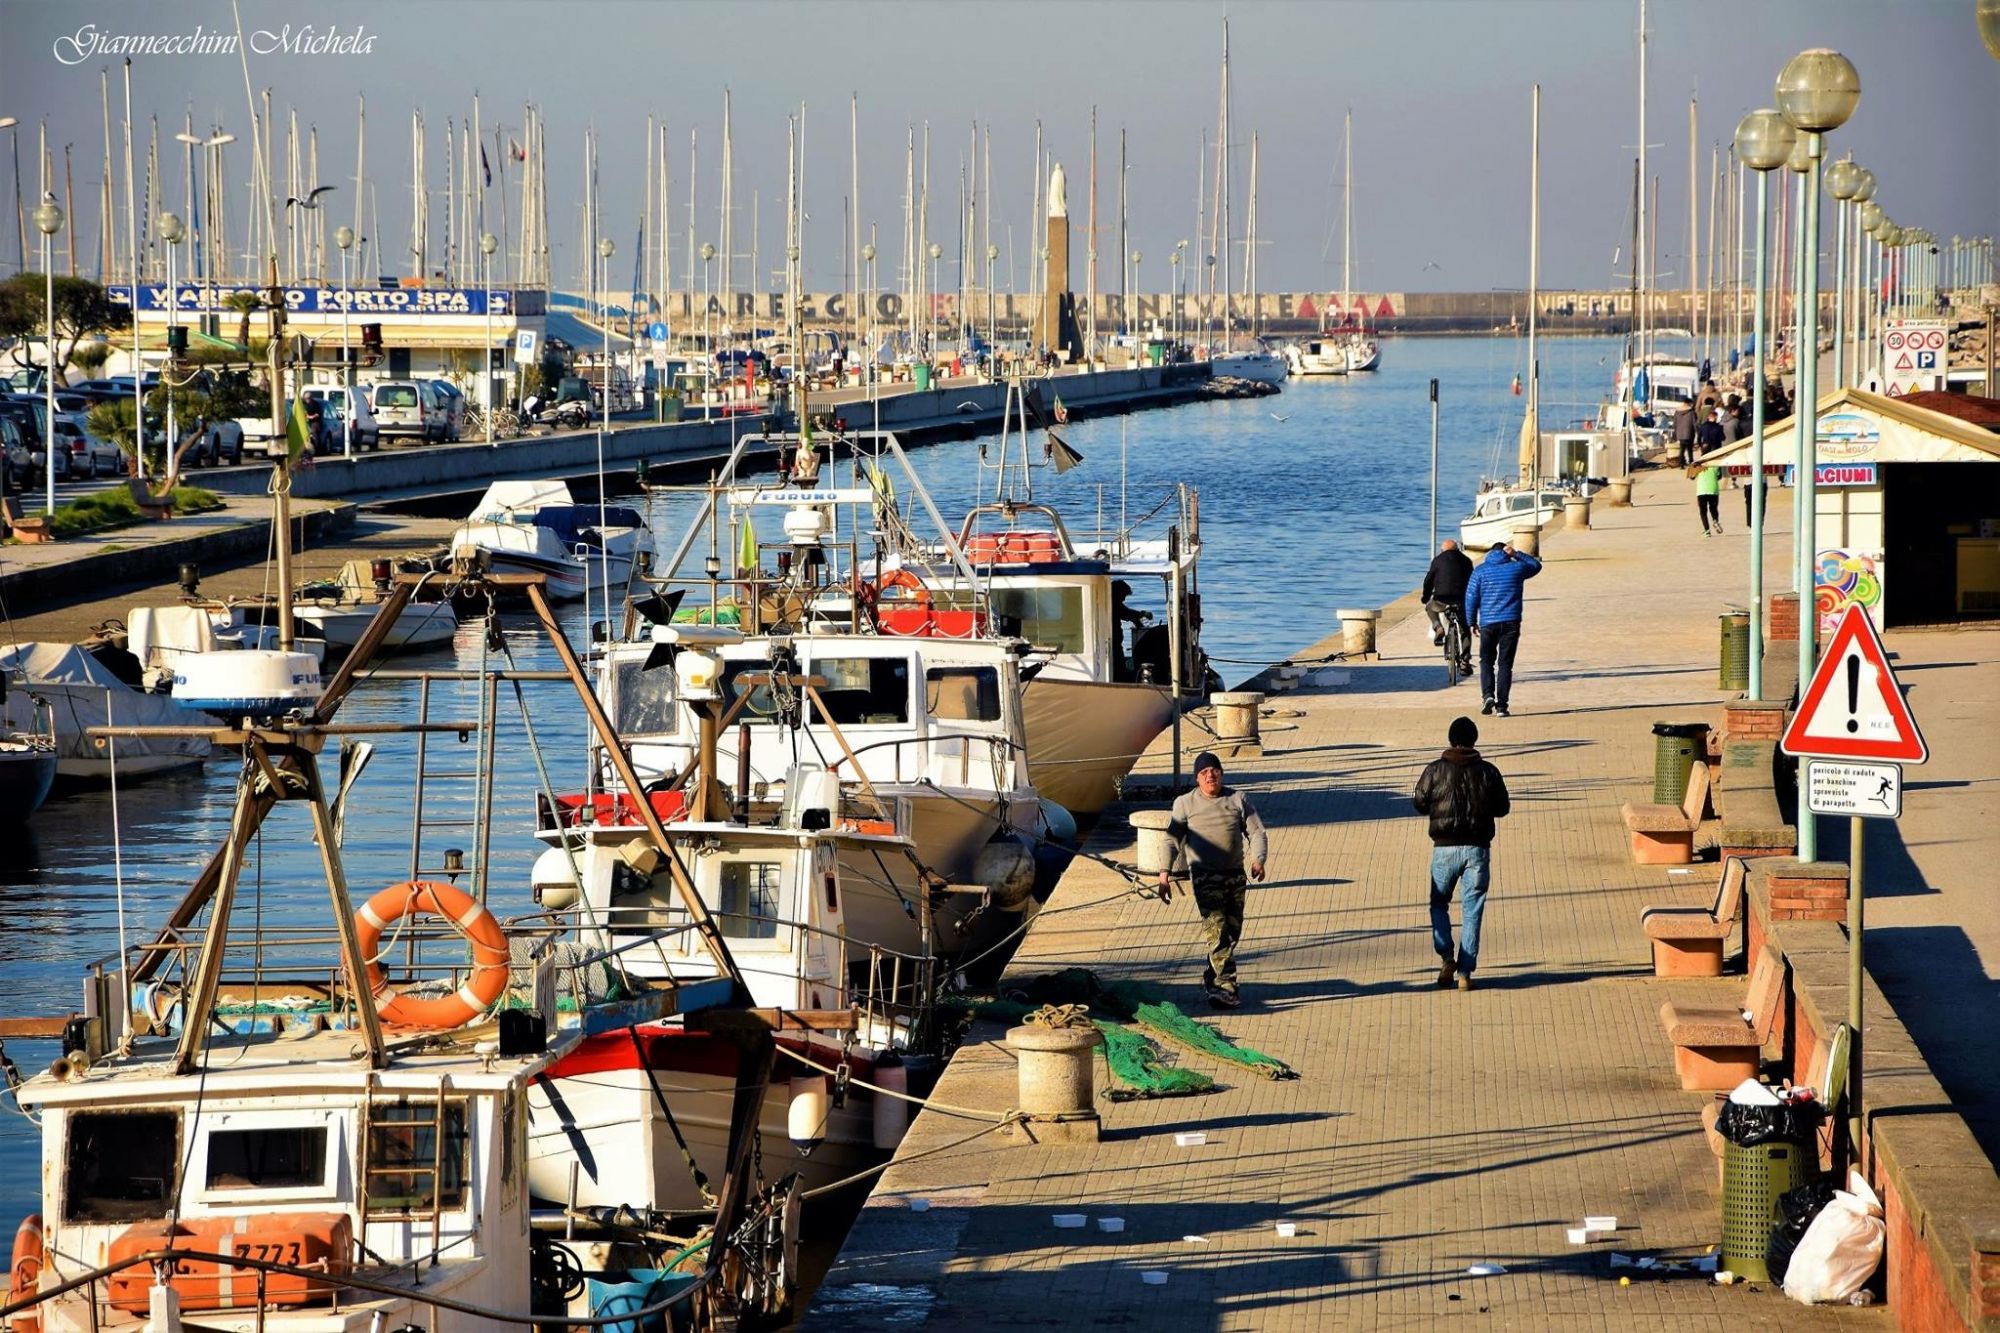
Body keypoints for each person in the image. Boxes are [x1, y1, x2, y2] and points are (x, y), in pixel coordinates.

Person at [1157, 751, 1268, 1009]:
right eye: (1204, 772)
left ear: (1221, 774)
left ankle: (1211, 977)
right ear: (1197, 778)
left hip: (1235, 877)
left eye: (1214, 771)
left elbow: (1257, 832)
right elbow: (1171, 841)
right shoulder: (1184, 804)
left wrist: (1258, 860)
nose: (1210, 776)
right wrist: (1164, 875)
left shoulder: (1238, 799)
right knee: (1216, 933)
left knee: (1231, 932)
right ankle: (1225, 987)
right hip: (1206, 879)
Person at [1412, 716, 1512, 990]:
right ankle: (1465, 973)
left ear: (1450, 739)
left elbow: (1419, 802)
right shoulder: (1489, 772)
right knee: (1473, 910)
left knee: (1438, 903)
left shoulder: (1434, 770)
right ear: (1474, 740)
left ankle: (1446, 956)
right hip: (1478, 849)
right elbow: (1503, 807)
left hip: (1444, 849)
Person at [1463, 541, 1542, 718]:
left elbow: (1471, 598)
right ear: (1506, 552)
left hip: (1488, 623)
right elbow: (1536, 565)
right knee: (1505, 664)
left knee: (1486, 661)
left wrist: (1471, 622)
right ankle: (1502, 707)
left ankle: (1488, 695)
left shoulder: (1480, 571)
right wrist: (1516, 554)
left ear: (1490, 553)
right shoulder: (1516, 568)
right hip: (1511, 622)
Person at [1420, 539, 1474, 669]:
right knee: (1465, 629)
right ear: (1457, 549)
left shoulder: (1438, 560)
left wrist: (1425, 597)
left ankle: (1438, 626)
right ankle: (1465, 660)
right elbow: (1473, 581)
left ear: (1442, 550)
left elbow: (1428, 580)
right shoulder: (1466, 560)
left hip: (1442, 599)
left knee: (1429, 607)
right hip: (1461, 600)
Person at [1695, 462, 1723, 536]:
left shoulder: (1698, 464)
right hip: (1713, 489)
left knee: (1703, 511)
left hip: (1701, 490)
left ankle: (1707, 530)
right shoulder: (1716, 464)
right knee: (1713, 508)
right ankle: (1715, 520)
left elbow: (1692, 476)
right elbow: (1719, 476)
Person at [1671, 402, 1697, 467]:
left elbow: (1674, 423)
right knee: (1689, 449)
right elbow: (1694, 423)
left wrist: (1675, 432)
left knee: (1682, 448)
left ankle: (1681, 463)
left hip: (1680, 433)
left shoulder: (1677, 412)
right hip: (1689, 432)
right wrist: (1697, 431)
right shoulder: (1691, 412)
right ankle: (1691, 461)